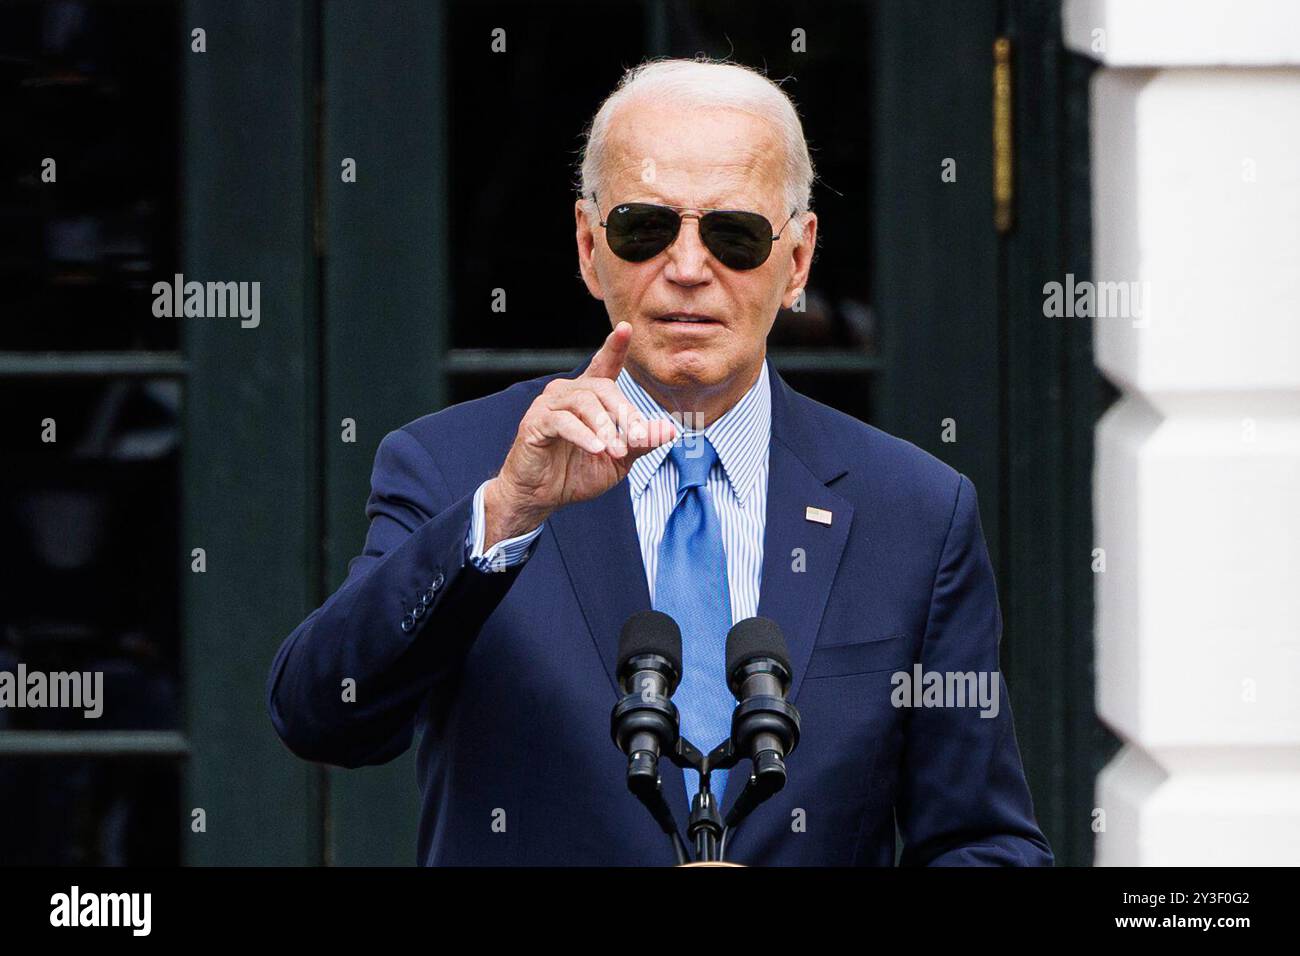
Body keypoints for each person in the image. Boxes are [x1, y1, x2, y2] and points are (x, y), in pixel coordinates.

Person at [266, 57, 1053, 866]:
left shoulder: (916, 512)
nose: (686, 268)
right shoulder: (456, 466)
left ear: (799, 260)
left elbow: (983, 843)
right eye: (644, 228)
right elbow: (323, 717)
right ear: (588, 246)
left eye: (734, 235)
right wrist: (504, 514)